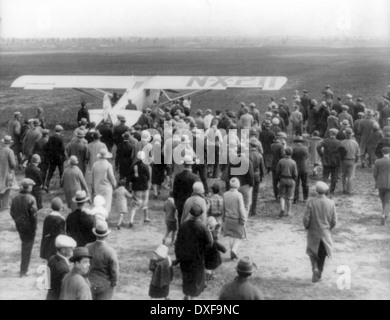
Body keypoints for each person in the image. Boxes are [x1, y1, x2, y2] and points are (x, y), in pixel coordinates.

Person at [175, 203, 213, 300]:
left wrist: (178, 256)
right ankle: (193, 298)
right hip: (198, 258)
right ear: (200, 215)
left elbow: (178, 241)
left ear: (190, 213)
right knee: (196, 278)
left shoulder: (183, 225)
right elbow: (209, 243)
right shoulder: (202, 227)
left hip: (185, 256)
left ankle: (187, 295)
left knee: (186, 276)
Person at [303, 182, 337, 283]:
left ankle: (314, 268)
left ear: (316, 191)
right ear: (326, 191)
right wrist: (328, 228)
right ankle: (319, 274)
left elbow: (306, 219)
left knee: (312, 252)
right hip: (325, 233)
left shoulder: (310, 202)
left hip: (313, 232)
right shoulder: (331, 203)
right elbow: (334, 220)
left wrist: (307, 227)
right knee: (322, 255)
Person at [10, 178, 37, 277]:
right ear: (29, 187)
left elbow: (12, 212)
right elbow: (34, 215)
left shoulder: (15, 198)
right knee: (27, 247)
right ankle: (23, 270)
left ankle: (24, 269)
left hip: (19, 225)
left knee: (25, 245)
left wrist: (17, 221)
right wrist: (34, 227)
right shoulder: (31, 198)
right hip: (29, 226)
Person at [86, 220, 119, 300]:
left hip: (89, 282)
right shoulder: (110, 251)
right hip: (105, 284)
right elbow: (114, 269)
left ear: (95, 234)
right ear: (107, 235)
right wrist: (114, 282)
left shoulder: (87, 247)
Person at [222, 178, 247, 260]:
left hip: (228, 219)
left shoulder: (225, 194)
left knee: (230, 235)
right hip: (236, 219)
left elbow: (223, 208)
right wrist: (244, 218)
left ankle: (231, 252)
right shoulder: (239, 195)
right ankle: (234, 249)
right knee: (240, 236)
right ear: (238, 185)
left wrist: (223, 219)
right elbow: (241, 208)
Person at [46, 235, 77, 300]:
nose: (73, 249)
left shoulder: (52, 258)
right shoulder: (64, 269)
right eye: (70, 247)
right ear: (63, 250)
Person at [173, 156, 200, 223]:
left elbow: (174, 192)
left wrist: (176, 203)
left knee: (180, 220)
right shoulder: (195, 177)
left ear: (183, 164)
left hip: (180, 202)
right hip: (192, 203)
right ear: (191, 164)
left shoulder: (178, 176)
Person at [317, 129, 343, 195]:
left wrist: (321, 155)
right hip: (335, 161)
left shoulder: (325, 141)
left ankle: (325, 190)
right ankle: (332, 191)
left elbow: (318, 147)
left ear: (330, 134)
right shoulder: (339, 142)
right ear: (336, 134)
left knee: (325, 176)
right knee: (334, 177)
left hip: (326, 161)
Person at [128, 151, 151, 227]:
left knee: (134, 204)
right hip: (144, 187)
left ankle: (131, 220)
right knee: (145, 202)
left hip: (136, 187)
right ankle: (146, 217)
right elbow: (148, 176)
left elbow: (130, 177)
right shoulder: (146, 166)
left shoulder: (133, 166)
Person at [92, 149, 117, 213]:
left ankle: (98, 215)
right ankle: (105, 217)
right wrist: (114, 184)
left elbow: (92, 177)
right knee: (106, 204)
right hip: (106, 187)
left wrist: (93, 187)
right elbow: (111, 177)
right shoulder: (108, 165)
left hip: (97, 186)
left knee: (98, 203)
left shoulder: (95, 164)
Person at [275, 148, 297, 217]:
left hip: (282, 179)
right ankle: (289, 211)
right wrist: (294, 179)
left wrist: (278, 179)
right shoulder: (293, 162)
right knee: (289, 197)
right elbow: (295, 173)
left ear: (285, 153)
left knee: (282, 195)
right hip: (290, 180)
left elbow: (277, 171)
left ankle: (282, 208)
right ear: (291, 153)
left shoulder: (281, 161)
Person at [204, 216, 226, 283]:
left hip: (206, 260)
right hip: (214, 260)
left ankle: (208, 275)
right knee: (210, 268)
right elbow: (223, 249)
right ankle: (208, 277)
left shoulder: (203, 239)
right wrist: (224, 250)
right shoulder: (214, 242)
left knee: (207, 268)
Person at [45, 125, 66, 189]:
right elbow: (62, 149)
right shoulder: (60, 138)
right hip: (59, 157)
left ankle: (47, 183)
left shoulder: (51, 137)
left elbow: (47, 146)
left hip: (52, 157)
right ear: (61, 131)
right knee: (61, 171)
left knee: (51, 171)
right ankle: (61, 183)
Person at [340, 128, 360, 195]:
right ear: (351, 134)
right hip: (352, 160)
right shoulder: (355, 143)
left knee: (343, 175)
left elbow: (339, 152)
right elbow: (358, 153)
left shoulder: (342, 142)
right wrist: (356, 161)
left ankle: (343, 189)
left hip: (343, 160)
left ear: (345, 134)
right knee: (350, 176)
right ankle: (348, 190)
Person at [373, 147, 390, 225]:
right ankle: (384, 214)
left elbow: (375, 174)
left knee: (383, 199)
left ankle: (384, 212)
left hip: (380, 183)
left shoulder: (377, 161)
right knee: (387, 201)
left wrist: (377, 181)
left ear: (382, 153)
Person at [0, 135, 16, 210]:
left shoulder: (1, 150)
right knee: (7, 188)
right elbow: (13, 164)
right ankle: (5, 205)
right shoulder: (10, 151)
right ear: (9, 143)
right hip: (7, 172)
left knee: (1, 187)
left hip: (1, 171)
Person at [249, 137, 264, 216]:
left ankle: (248, 208)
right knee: (255, 193)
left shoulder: (248, 155)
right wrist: (261, 176)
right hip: (257, 175)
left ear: (250, 145)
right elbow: (262, 168)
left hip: (249, 176)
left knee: (249, 193)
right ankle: (253, 210)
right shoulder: (260, 155)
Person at [292, 136, 309, 203]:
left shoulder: (293, 149)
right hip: (304, 167)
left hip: (295, 168)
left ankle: (295, 198)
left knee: (296, 184)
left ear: (295, 142)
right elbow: (306, 157)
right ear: (301, 142)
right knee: (305, 183)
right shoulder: (305, 148)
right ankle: (305, 198)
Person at [270, 132, 287, 199]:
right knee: (281, 180)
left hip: (273, 164)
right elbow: (282, 155)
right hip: (280, 165)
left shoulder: (271, 145)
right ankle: (281, 194)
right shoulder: (281, 146)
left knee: (274, 181)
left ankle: (276, 195)